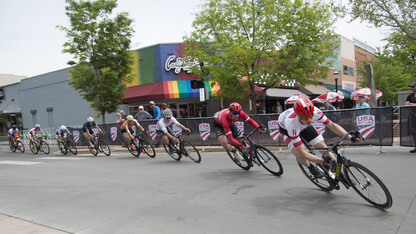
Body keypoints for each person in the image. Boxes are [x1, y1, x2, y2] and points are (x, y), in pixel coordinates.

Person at [278, 98, 360, 178]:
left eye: (310, 115)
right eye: (305, 117)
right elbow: (302, 152)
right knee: (300, 155)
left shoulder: (315, 112)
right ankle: (311, 168)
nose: (310, 120)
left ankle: (339, 172)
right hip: (286, 129)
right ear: (298, 117)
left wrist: (350, 137)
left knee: (321, 145)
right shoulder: (291, 125)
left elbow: (332, 125)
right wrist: (322, 162)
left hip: (304, 126)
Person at [406, 81, 416, 153]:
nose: (412, 88)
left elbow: (410, 104)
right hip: (412, 115)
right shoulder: (410, 96)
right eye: (411, 87)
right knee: (414, 131)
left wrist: (411, 104)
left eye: (413, 87)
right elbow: (406, 104)